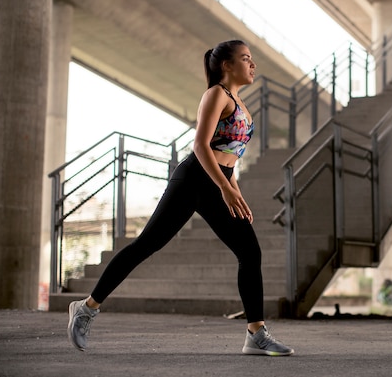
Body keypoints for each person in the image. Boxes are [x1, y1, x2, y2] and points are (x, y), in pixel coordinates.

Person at [67, 40, 294, 356]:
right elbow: (201, 145)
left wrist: (234, 191)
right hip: (193, 179)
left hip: (220, 181)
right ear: (226, 65)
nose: (252, 64)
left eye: (252, 59)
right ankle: (86, 307)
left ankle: (256, 334)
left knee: (249, 251)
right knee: (147, 244)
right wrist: (225, 189)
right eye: (245, 59)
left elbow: (231, 156)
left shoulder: (241, 105)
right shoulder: (216, 94)